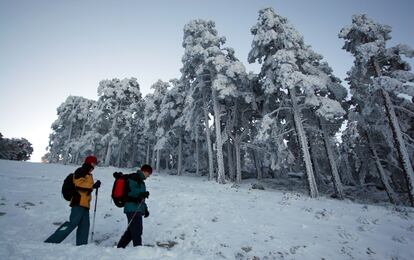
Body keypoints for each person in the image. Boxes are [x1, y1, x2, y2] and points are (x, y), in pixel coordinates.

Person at [45, 155, 101, 246]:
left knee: (85, 226)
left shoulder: (88, 174)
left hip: (85, 204)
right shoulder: (81, 171)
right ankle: (52, 241)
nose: (95, 166)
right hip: (78, 202)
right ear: (90, 163)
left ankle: (82, 246)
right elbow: (79, 184)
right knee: (72, 223)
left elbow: (86, 187)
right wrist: (93, 186)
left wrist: (94, 186)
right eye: (94, 163)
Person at [117, 164, 152, 248]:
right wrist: (141, 193)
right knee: (137, 231)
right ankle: (138, 251)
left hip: (137, 208)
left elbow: (141, 198)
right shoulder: (134, 178)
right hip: (131, 208)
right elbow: (131, 192)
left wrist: (145, 209)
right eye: (148, 173)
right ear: (144, 171)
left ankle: (119, 249)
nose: (149, 176)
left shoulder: (141, 182)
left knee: (131, 232)